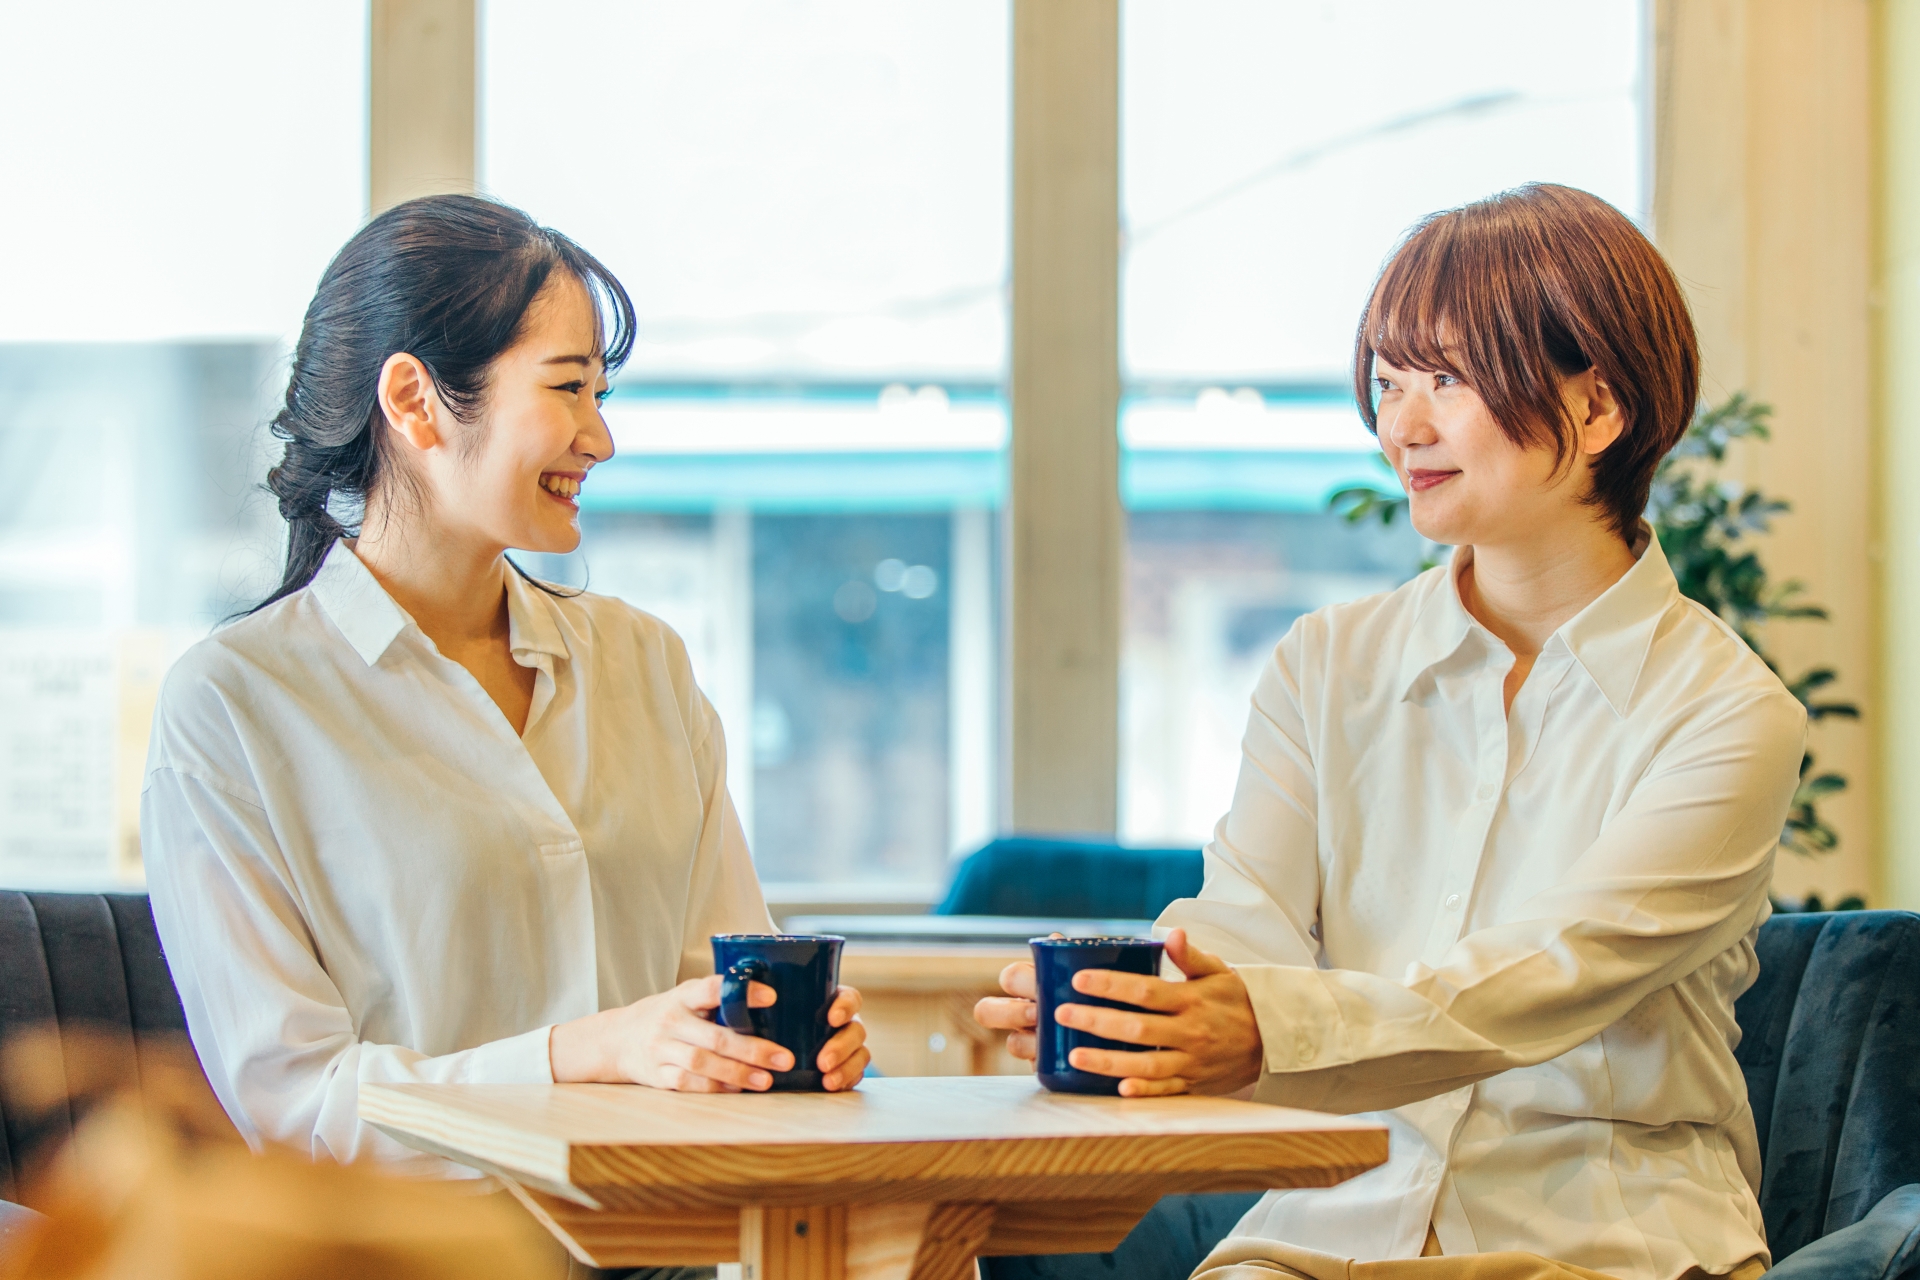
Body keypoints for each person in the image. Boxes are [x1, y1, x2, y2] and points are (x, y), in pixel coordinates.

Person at [977, 184, 1804, 1280]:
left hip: (1608, 1240)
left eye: (1448, 381)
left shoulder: (1727, 712)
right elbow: (1244, 925)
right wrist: (1139, 1003)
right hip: (1328, 1230)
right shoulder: (1325, 664)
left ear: (1599, 410)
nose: (1401, 427)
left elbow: (1550, 971)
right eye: (1389, 383)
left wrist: (1265, 1030)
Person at [142, 196, 870, 1193]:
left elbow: (722, 983)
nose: (599, 438)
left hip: (680, 1243)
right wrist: (583, 1053)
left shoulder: (643, 661)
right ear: (415, 402)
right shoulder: (234, 704)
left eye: (601, 393)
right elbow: (299, 1105)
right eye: (568, 388)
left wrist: (786, 1045)